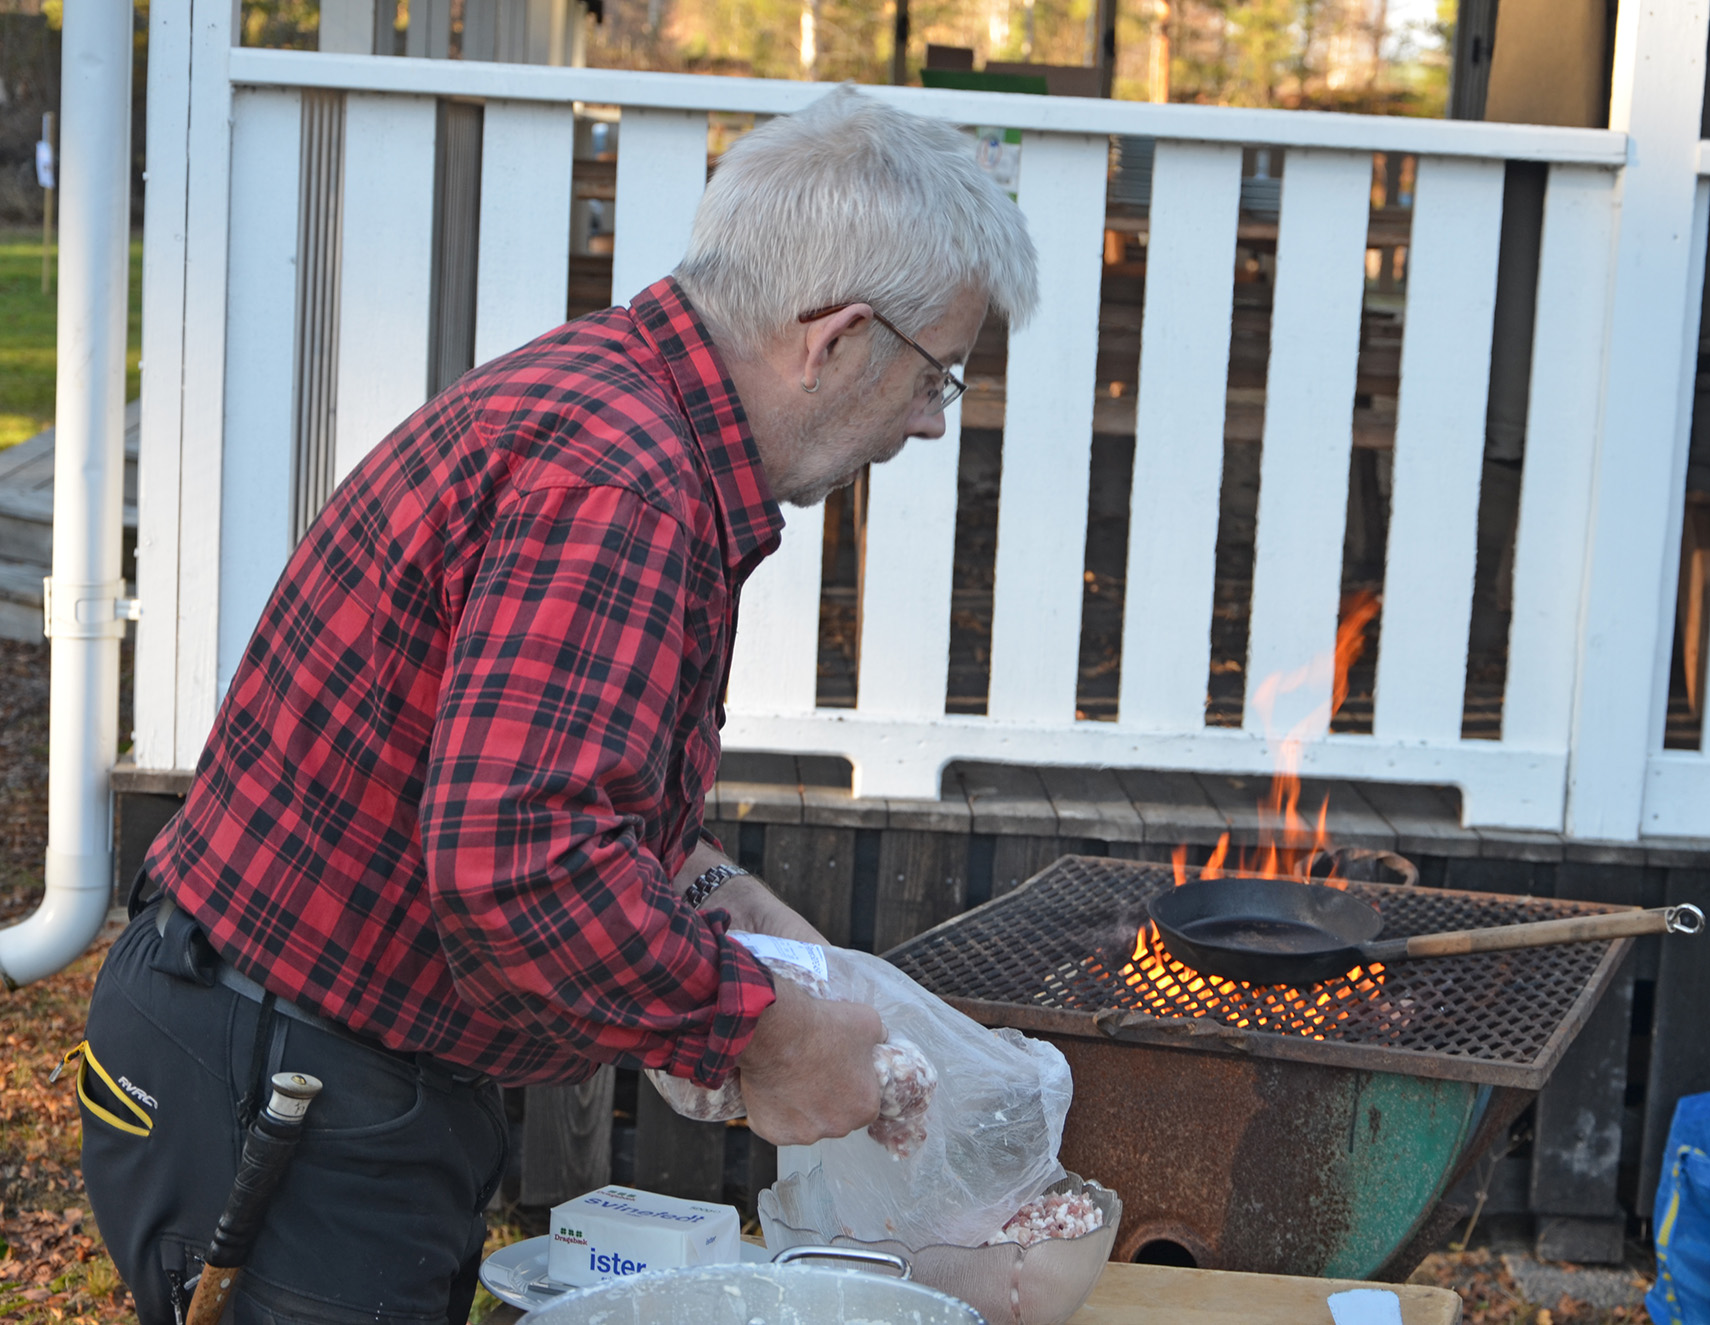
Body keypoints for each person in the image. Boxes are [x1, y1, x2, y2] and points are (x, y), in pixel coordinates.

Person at [74, 85, 1037, 1325]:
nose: (924, 421)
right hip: (287, 1076)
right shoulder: (621, 479)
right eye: (934, 375)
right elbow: (510, 864)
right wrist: (760, 1033)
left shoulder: (625, 409)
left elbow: (544, 784)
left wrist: (737, 917)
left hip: (319, 1044)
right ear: (838, 337)